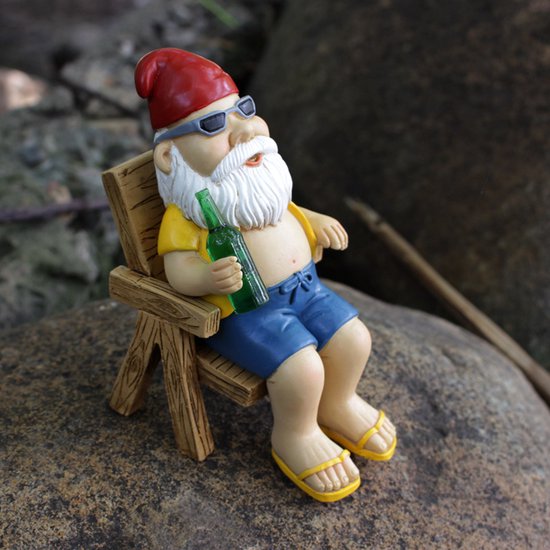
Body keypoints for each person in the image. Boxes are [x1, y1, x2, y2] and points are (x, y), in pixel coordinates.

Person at [135, 48, 396, 502]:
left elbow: (286, 210)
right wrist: (207, 277)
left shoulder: (258, 184)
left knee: (354, 339)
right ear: (169, 155)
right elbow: (177, 270)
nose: (247, 130)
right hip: (248, 312)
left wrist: (315, 222)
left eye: (244, 110)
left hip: (307, 291)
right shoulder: (188, 214)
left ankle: (338, 403)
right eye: (213, 125)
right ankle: (296, 434)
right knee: (302, 367)